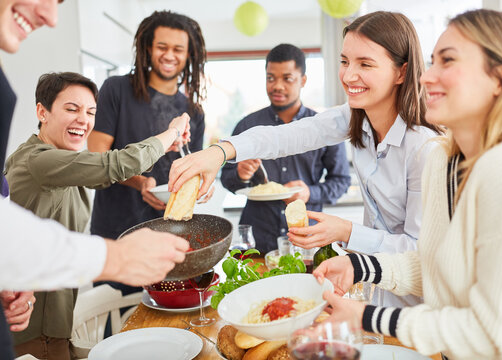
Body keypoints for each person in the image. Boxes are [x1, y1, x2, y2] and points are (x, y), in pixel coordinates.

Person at [168, 11, 441, 307]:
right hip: (371, 288)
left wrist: (346, 231)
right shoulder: (356, 118)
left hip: (415, 303)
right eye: (345, 61)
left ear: (401, 72)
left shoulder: (424, 148)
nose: (349, 76)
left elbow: (418, 249)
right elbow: (285, 136)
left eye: (365, 64)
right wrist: (220, 152)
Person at [313, 9, 502, 359]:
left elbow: (494, 335)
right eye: (431, 61)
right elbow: (438, 267)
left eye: (446, 61)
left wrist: (369, 318)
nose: (426, 76)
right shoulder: (443, 161)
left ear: (500, 77)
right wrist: (361, 266)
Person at [0, 1, 188, 358]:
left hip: (54, 329)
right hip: (31, 335)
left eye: (91, 113)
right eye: (71, 109)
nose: (84, 121)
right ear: (42, 112)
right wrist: (169, 135)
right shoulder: (37, 161)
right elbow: (111, 165)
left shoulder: (64, 164)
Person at [88, 10, 207, 242]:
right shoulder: (116, 90)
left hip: (171, 232)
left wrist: (202, 183)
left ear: (188, 54)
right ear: (148, 49)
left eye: (178, 49)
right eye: (162, 47)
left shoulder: (194, 112)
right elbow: (96, 157)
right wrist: (140, 182)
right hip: (115, 231)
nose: (169, 55)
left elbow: (193, 168)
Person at [220, 44, 350, 254]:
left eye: (287, 78)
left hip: (307, 237)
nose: (277, 86)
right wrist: (241, 175)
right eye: (271, 78)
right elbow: (227, 179)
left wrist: (310, 193)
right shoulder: (247, 126)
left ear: (303, 80)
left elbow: (341, 182)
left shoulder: (324, 127)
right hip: (257, 240)